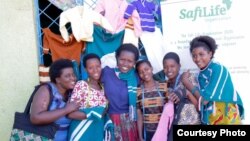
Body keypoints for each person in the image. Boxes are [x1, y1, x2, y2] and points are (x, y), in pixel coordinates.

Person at [182, 35, 244, 125]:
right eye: (194, 56)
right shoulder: (200, 75)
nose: (197, 59)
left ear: (210, 54)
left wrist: (187, 82)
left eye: (201, 54)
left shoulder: (219, 69)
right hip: (211, 119)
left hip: (227, 119)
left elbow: (204, 100)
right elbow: (201, 104)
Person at [30, 59, 80, 141]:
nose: (73, 78)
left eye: (73, 75)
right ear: (58, 79)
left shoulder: (72, 92)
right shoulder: (46, 90)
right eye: (67, 76)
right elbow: (35, 118)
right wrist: (66, 109)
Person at [67, 53, 113, 141]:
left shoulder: (102, 87)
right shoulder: (81, 85)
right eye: (90, 68)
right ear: (85, 69)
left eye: (98, 66)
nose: (95, 70)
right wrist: (95, 113)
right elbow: (71, 114)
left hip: (96, 132)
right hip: (82, 131)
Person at [101, 43, 139, 141]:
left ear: (135, 62)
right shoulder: (106, 73)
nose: (125, 64)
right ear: (117, 58)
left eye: (130, 61)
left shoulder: (136, 77)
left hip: (130, 122)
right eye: (122, 59)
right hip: (110, 120)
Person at [135, 60, 167, 141]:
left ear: (151, 68)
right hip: (148, 133)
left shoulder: (164, 86)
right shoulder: (138, 91)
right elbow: (139, 115)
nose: (145, 73)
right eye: (141, 72)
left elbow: (169, 111)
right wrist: (140, 136)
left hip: (164, 131)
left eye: (146, 69)